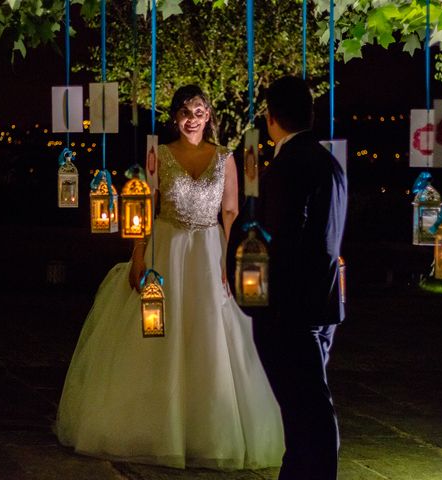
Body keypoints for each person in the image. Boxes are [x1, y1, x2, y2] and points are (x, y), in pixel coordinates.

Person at [55, 85, 284, 470]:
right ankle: (154, 428)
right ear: (175, 117)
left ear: (209, 115)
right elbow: (145, 205)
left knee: (208, 334)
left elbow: (230, 214)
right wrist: (139, 254)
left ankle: (207, 429)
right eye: (184, 111)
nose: (192, 118)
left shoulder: (226, 157)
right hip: (167, 246)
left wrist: (230, 264)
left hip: (209, 250)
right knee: (159, 332)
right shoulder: (159, 155)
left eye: (198, 110)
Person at [254, 76, 347, 480]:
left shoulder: (287, 166)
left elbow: (282, 239)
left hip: (290, 312)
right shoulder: (329, 163)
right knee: (307, 412)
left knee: (306, 414)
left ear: (271, 119)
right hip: (322, 303)